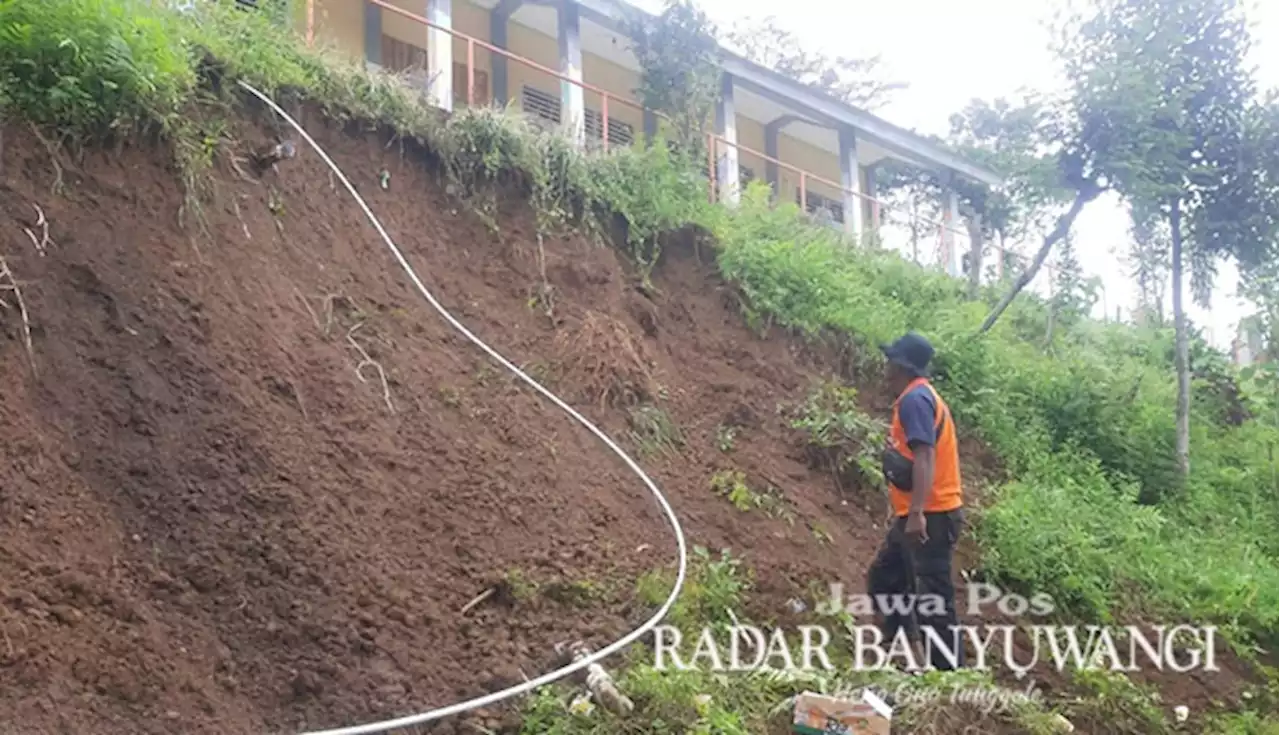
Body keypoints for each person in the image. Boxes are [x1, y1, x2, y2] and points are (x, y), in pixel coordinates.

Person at [866, 331, 965, 671]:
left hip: (931, 515)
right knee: (886, 576)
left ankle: (947, 680)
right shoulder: (917, 397)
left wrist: (918, 514)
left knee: (935, 603)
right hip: (920, 512)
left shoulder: (915, 400)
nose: (885, 369)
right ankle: (899, 651)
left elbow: (925, 456)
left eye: (889, 362)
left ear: (902, 367)